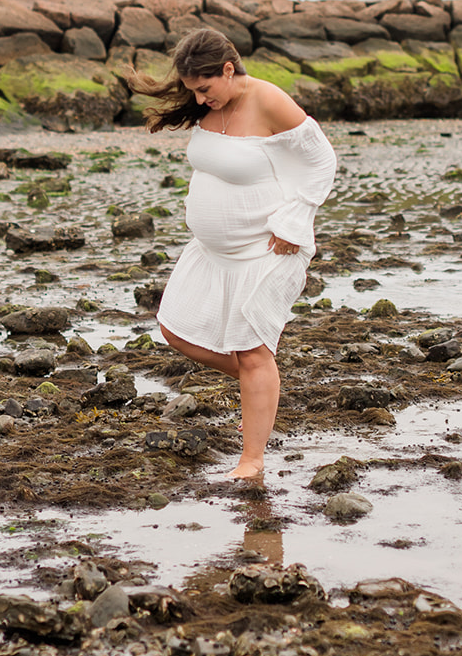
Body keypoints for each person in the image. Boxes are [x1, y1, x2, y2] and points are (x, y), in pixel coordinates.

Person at [130, 28, 337, 481]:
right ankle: (258, 385)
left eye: (205, 88)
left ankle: (252, 460)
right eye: (192, 91)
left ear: (228, 69)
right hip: (211, 251)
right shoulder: (210, 104)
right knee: (175, 329)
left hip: (267, 249)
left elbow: (322, 161)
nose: (201, 100)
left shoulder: (269, 101)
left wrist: (295, 220)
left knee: (252, 353)